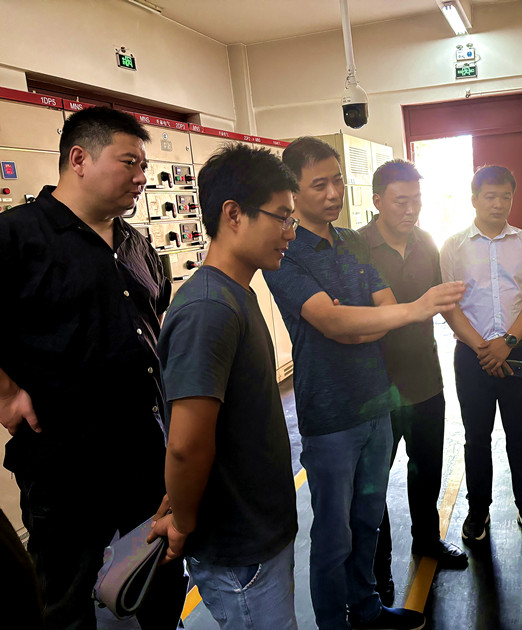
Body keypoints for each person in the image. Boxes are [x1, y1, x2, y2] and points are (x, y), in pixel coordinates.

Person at [264, 136, 464, 630]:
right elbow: (333, 321)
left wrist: (370, 319)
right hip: (331, 416)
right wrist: (409, 311)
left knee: (368, 521)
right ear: (293, 191)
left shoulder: (352, 242)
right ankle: (335, 621)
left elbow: (380, 307)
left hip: (376, 404)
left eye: (337, 180)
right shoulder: (285, 252)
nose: (333, 193)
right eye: (319, 185)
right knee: (333, 537)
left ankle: (368, 609)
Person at [0, 106, 188, 629]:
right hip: (64, 464)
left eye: (144, 165)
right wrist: (5, 392)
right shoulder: (17, 237)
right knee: (66, 596)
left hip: (145, 452)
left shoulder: (135, 243)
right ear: (79, 159)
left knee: (159, 578)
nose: (142, 177)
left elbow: (156, 319)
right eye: (130, 162)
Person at [151, 144, 300, 629]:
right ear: (233, 214)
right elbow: (186, 445)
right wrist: (183, 522)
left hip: (258, 534)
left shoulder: (235, 295)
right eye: (281, 217)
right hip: (240, 548)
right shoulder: (209, 310)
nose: (290, 232)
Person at [359, 160, 467, 605]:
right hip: (375, 390)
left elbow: (445, 306)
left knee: (426, 469)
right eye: (400, 201)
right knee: (372, 484)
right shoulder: (357, 248)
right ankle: (378, 567)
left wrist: (480, 344)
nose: (410, 210)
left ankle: (427, 540)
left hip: (425, 381)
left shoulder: (427, 244)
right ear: (377, 201)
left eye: (416, 201)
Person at [440, 165, 522, 545]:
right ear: (474, 199)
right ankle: (478, 509)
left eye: (506, 196)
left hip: (518, 351)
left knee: (521, 436)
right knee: (476, 438)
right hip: (471, 356)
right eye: (490, 196)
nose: (499, 204)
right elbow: (449, 305)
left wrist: (506, 341)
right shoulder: (453, 246)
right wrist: (482, 347)